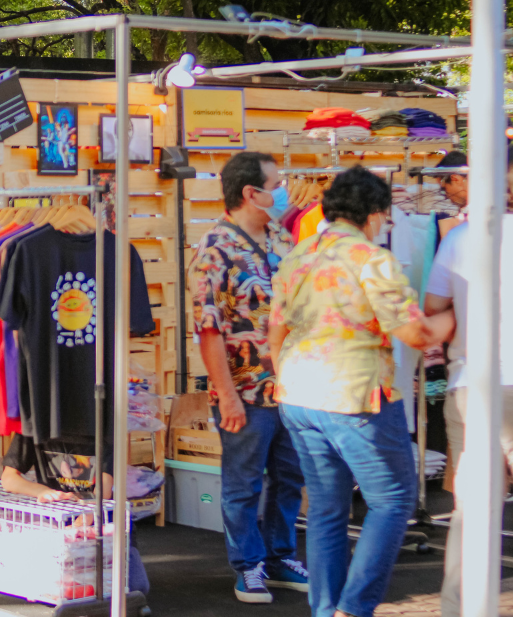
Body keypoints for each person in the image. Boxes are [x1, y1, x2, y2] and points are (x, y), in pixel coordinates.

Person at [269, 165, 454, 617]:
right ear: (374, 213)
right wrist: (451, 321)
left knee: (328, 510)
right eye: (385, 216)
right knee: (392, 499)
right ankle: (353, 607)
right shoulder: (372, 258)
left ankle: (328, 608)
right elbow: (414, 333)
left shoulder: (299, 253)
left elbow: (275, 327)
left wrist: (282, 379)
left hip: (298, 394)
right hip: (356, 395)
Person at [427, 142, 513, 616]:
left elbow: (433, 305)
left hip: (469, 383)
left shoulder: (462, 236)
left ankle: (460, 610)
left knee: (472, 512)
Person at [188, 151, 307, 603]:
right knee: (243, 482)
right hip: (246, 390)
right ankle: (248, 565)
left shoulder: (282, 237)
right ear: (250, 193)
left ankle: (280, 556)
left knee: (289, 477)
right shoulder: (214, 249)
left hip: (292, 387)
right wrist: (226, 393)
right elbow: (208, 328)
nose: (283, 192)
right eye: (275, 184)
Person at [0, 432, 150, 596]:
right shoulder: (35, 423)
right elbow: (8, 479)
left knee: (135, 588)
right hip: (57, 522)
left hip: (105, 524)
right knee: (54, 587)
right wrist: (42, 491)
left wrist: (79, 526)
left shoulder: (105, 423)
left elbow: (103, 489)